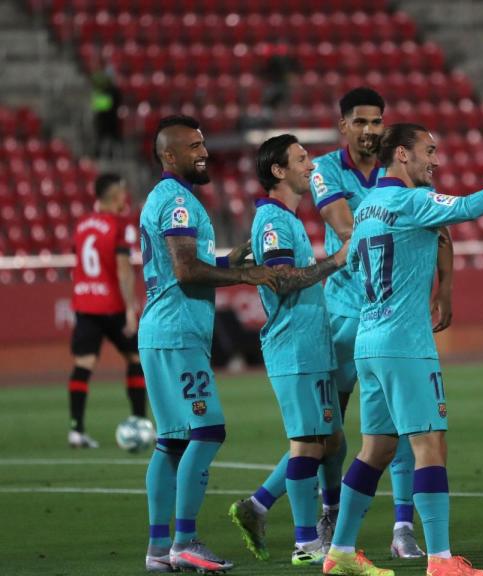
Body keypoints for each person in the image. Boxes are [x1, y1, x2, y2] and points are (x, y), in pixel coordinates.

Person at [322, 123, 483, 576]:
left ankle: (340, 551)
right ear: (402, 154)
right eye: (429, 151)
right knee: (429, 444)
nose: (436, 160)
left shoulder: (365, 209)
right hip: (406, 343)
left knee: (377, 449)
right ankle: (441, 559)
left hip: (370, 340)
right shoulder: (410, 201)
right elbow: (466, 207)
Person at [230, 87, 432, 562]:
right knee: (327, 434)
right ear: (343, 126)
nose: (369, 130)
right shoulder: (326, 170)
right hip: (344, 317)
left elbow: (432, 230)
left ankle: (401, 526)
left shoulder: (400, 169)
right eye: (359, 121)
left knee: (393, 425)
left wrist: (439, 291)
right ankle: (323, 518)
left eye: (376, 121)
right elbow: (345, 229)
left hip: (390, 312)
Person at [139, 114, 277, 573]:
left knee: (172, 441)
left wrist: (229, 257)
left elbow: (190, 261)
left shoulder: (168, 199)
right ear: (169, 156)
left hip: (161, 331)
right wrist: (243, 275)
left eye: (202, 144)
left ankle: (159, 550)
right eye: (194, 146)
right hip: (178, 333)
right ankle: (185, 541)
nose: (203, 153)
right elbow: (186, 271)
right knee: (208, 431)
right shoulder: (177, 201)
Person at [246, 134, 350, 565]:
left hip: (309, 345)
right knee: (308, 443)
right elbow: (281, 278)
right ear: (278, 171)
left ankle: (260, 507)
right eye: (301, 159)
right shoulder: (273, 221)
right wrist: (336, 261)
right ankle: (306, 543)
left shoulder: (286, 218)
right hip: (293, 347)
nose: (311, 166)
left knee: (325, 440)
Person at [68, 173, 147, 448]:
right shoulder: (120, 224)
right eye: (123, 193)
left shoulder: (81, 225)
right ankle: (140, 422)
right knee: (136, 359)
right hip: (112, 305)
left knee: (83, 366)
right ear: (116, 196)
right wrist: (129, 308)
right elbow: (123, 268)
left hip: (84, 303)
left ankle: (76, 430)